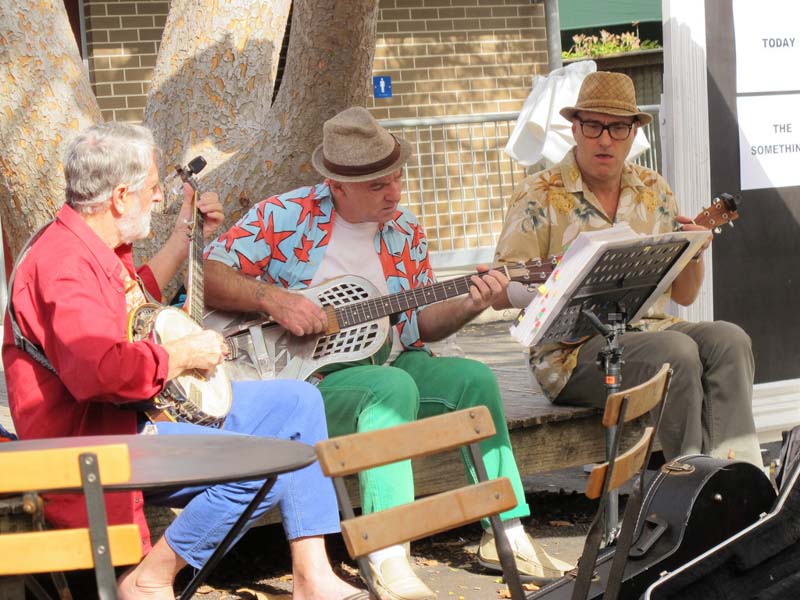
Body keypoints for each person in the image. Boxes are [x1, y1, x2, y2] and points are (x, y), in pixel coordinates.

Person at [203, 107, 574, 599]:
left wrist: (468, 303)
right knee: (390, 389)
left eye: (396, 177)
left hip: (388, 357)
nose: (394, 193)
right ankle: (387, 552)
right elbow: (207, 276)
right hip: (301, 380)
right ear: (337, 185)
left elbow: (420, 324)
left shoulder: (405, 231)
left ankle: (505, 531)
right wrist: (274, 299)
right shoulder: (283, 216)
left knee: (474, 381)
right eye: (378, 185)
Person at [1, 122, 364, 600]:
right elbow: (97, 374)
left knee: (297, 404)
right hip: (93, 439)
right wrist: (178, 355)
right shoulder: (64, 265)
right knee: (258, 467)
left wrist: (184, 234)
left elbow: (137, 302)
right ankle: (150, 577)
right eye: (153, 189)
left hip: (131, 415)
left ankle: (312, 576)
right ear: (120, 197)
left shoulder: (88, 242)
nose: (159, 198)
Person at [494, 71, 762, 468]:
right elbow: (503, 286)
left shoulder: (655, 189)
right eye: (593, 125)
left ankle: (737, 478)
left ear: (634, 131)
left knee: (730, 340)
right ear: (575, 128)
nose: (605, 138)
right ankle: (688, 487)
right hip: (569, 353)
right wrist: (555, 286)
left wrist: (695, 251)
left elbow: (684, 296)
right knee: (677, 352)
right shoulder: (538, 194)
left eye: (618, 127)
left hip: (649, 332)